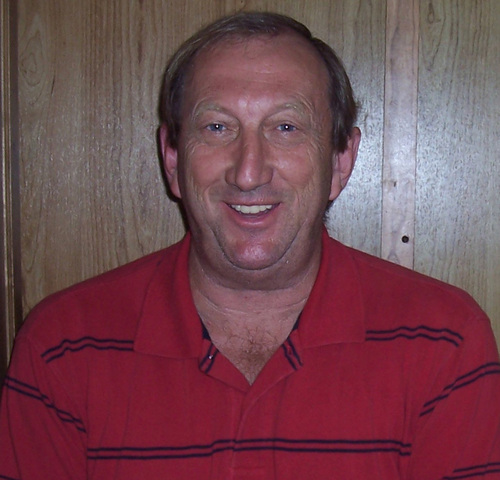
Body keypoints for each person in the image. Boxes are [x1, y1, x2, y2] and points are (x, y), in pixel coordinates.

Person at [1, 11, 499, 479]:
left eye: (286, 128)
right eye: (217, 128)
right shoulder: (63, 346)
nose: (248, 172)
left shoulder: (444, 342)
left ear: (341, 161)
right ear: (172, 159)